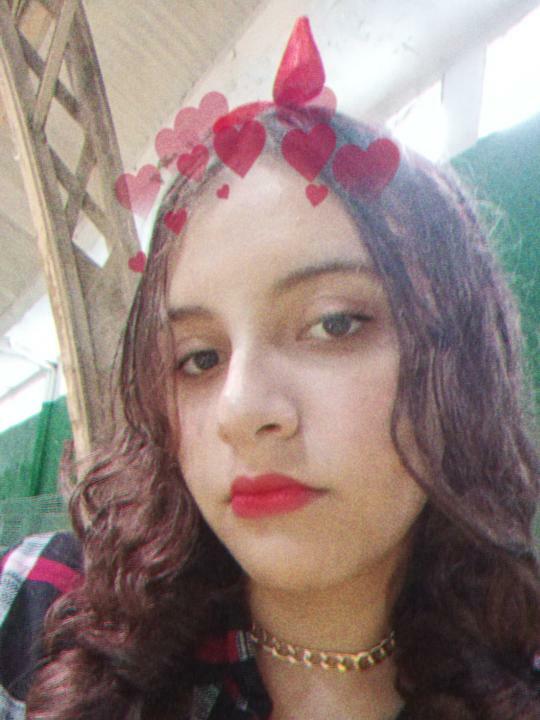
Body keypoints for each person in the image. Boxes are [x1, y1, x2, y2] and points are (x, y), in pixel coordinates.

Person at [1, 17, 539, 720]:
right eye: (198, 358)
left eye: (334, 324)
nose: (241, 409)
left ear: (459, 363)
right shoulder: (42, 614)